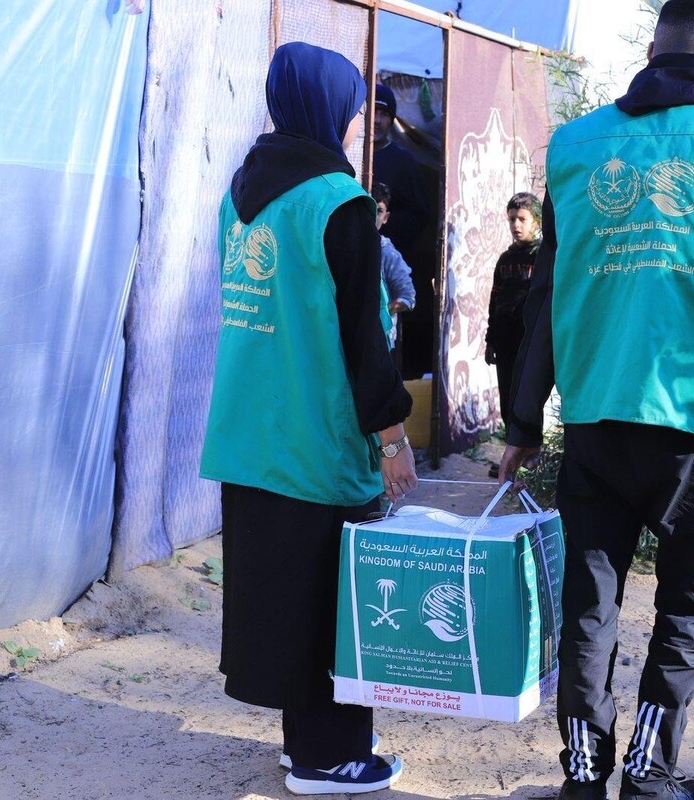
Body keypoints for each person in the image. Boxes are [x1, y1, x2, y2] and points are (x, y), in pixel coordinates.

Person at [499, 2, 694, 799]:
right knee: (687, 606)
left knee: (589, 604)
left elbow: (546, 297)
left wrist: (524, 420)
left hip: (596, 417)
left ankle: (583, 775)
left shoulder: (576, 144)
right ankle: (648, 773)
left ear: (651, 51)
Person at [200, 41, 417, 797]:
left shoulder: (241, 193)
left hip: (248, 435)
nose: (357, 123)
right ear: (327, 108)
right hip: (316, 441)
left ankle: (313, 742)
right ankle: (330, 758)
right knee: (332, 602)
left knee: (288, 596)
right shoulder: (338, 201)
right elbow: (363, 338)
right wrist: (392, 437)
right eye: (353, 109)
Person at [372, 83, 435, 378]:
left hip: (387, 266)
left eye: (384, 114)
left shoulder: (403, 162)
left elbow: (421, 213)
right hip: (348, 260)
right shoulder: (347, 155)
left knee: (387, 345)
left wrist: (383, 227)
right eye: (373, 111)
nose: (376, 120)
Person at [485, 192, 541, 427]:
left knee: (528, 399)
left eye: (522, 219)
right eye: (511, 219)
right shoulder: (506, 259)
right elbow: (495, 301)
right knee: (507, 399)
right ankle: (511, 447)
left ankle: (530, 448)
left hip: (531, 340)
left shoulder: (543, 258)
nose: (516, 225)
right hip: (505, 340)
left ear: (537, 222)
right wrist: (490, 341)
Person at [371, 181, 416, 351]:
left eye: (379, 211)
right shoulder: (349, 247)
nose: (373, 216)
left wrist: (380, 315)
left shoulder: (387, 253)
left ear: (386, 217)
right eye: (370, 208)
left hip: (380, 339)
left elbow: (407, 297)